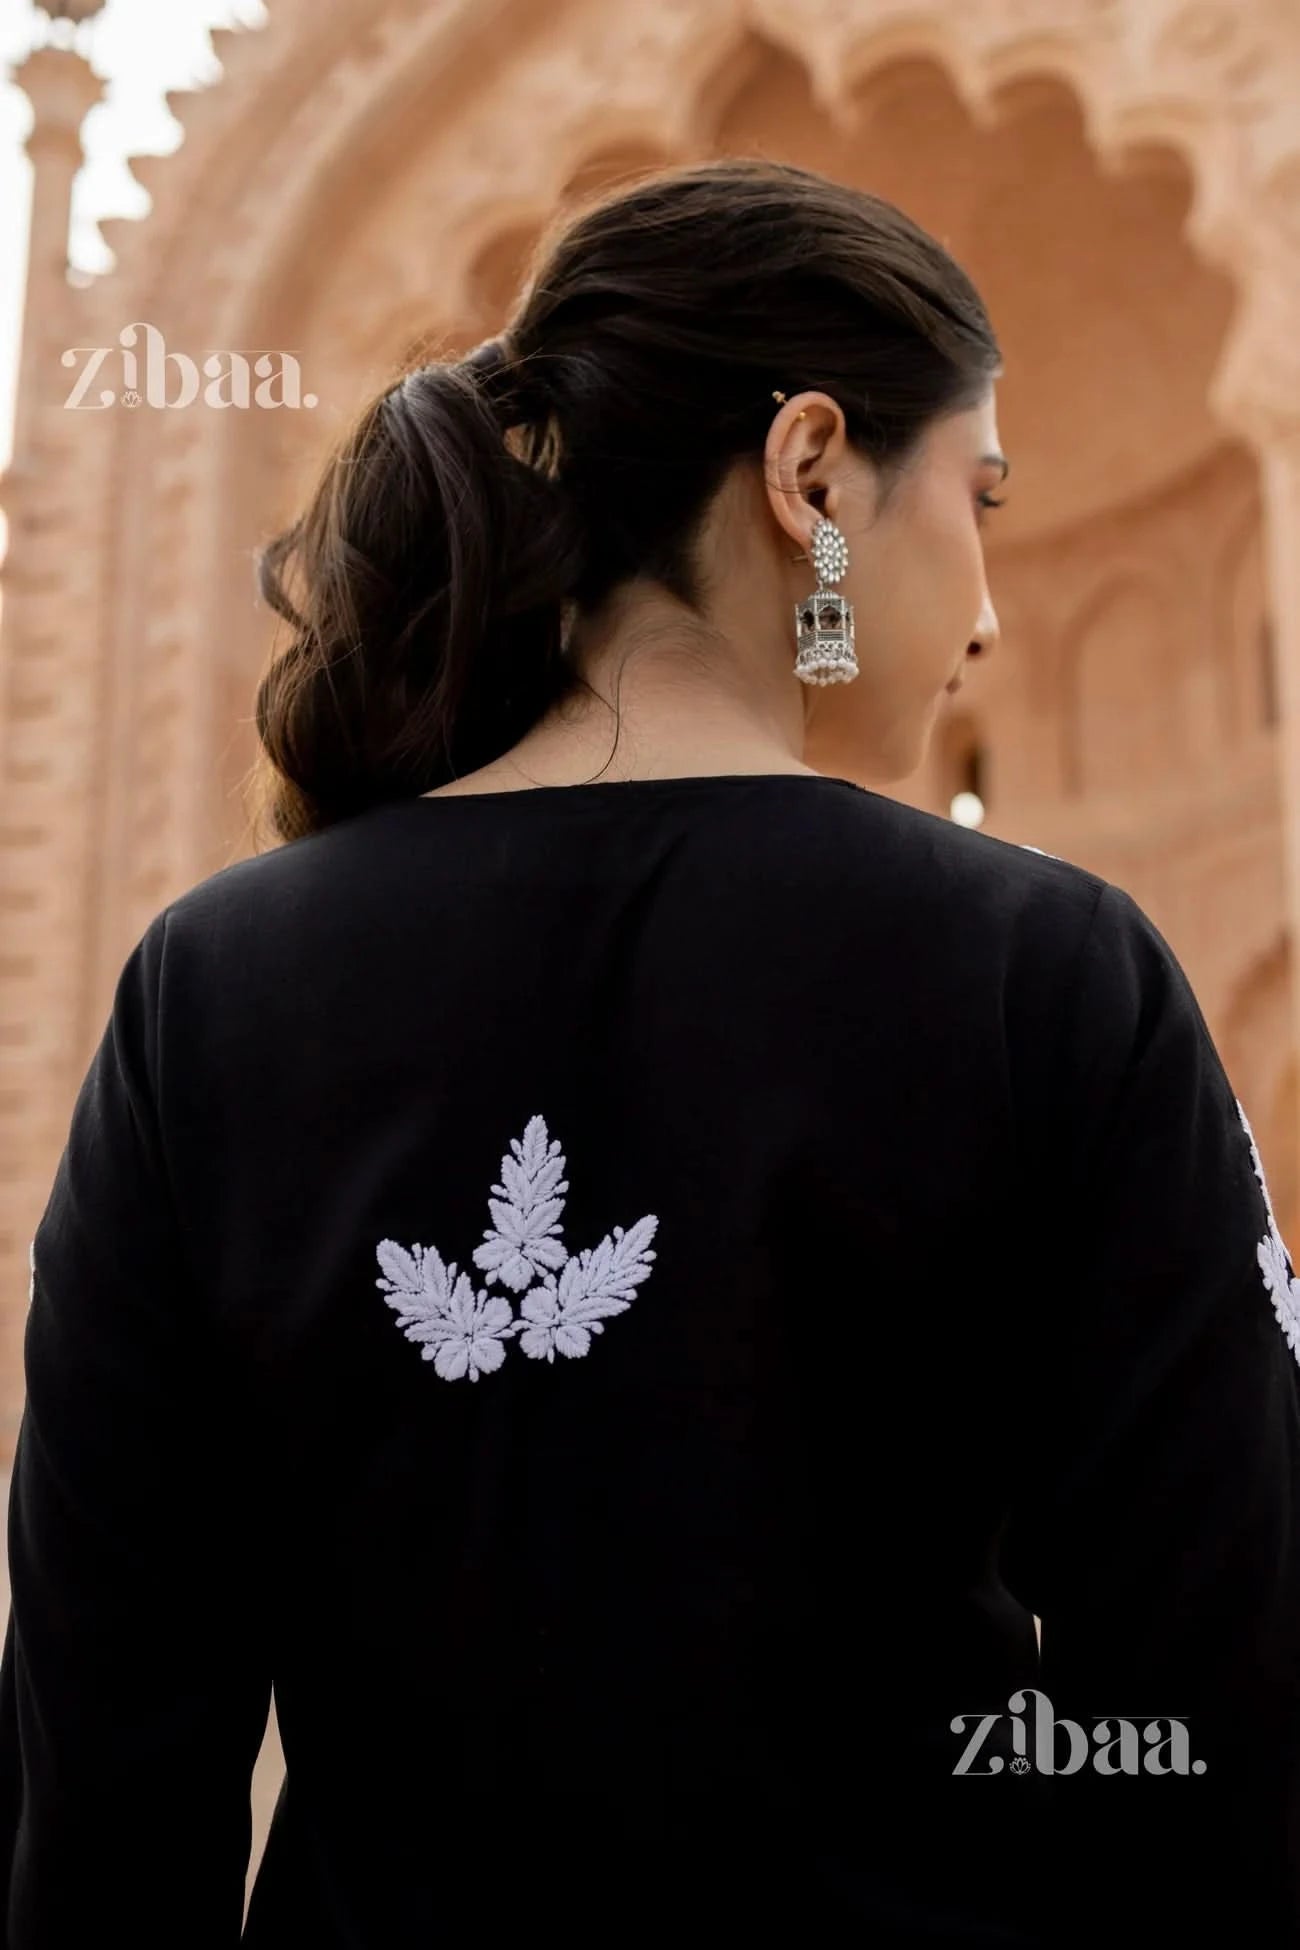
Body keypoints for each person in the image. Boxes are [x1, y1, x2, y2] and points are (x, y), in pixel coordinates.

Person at [0, 155, 1296, 1947]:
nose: (992, 609)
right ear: (813, 473)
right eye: (977, 497)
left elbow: (101, 1794)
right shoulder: (1041, 971)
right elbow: (1220, 1721)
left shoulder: (208, 991)